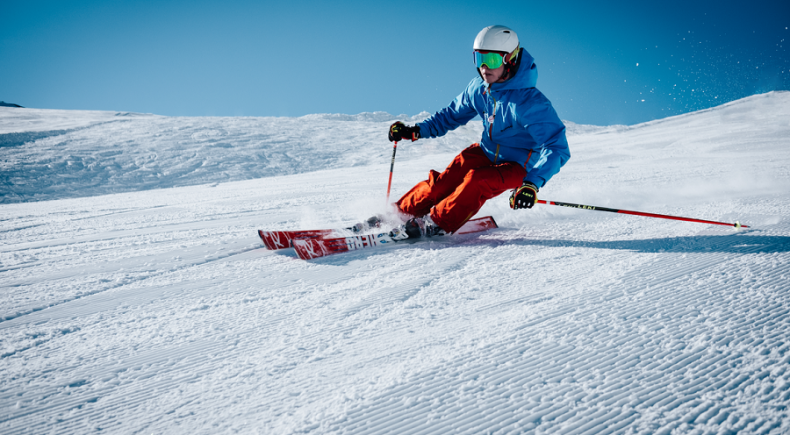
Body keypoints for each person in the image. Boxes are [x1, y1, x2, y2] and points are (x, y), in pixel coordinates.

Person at [387, 25, 571, 240]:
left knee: (478, 180)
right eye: (478, 59)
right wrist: (415, 130)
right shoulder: (479, 88)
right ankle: (398, 214)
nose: (484, 67)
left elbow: (556, 147)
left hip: (518, 166)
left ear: (509, 59)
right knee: (442, 184)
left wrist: (532, 184)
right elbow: (450, 116)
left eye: (491, 60)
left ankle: (436, 223)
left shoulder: (529, 103)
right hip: (485, 151)